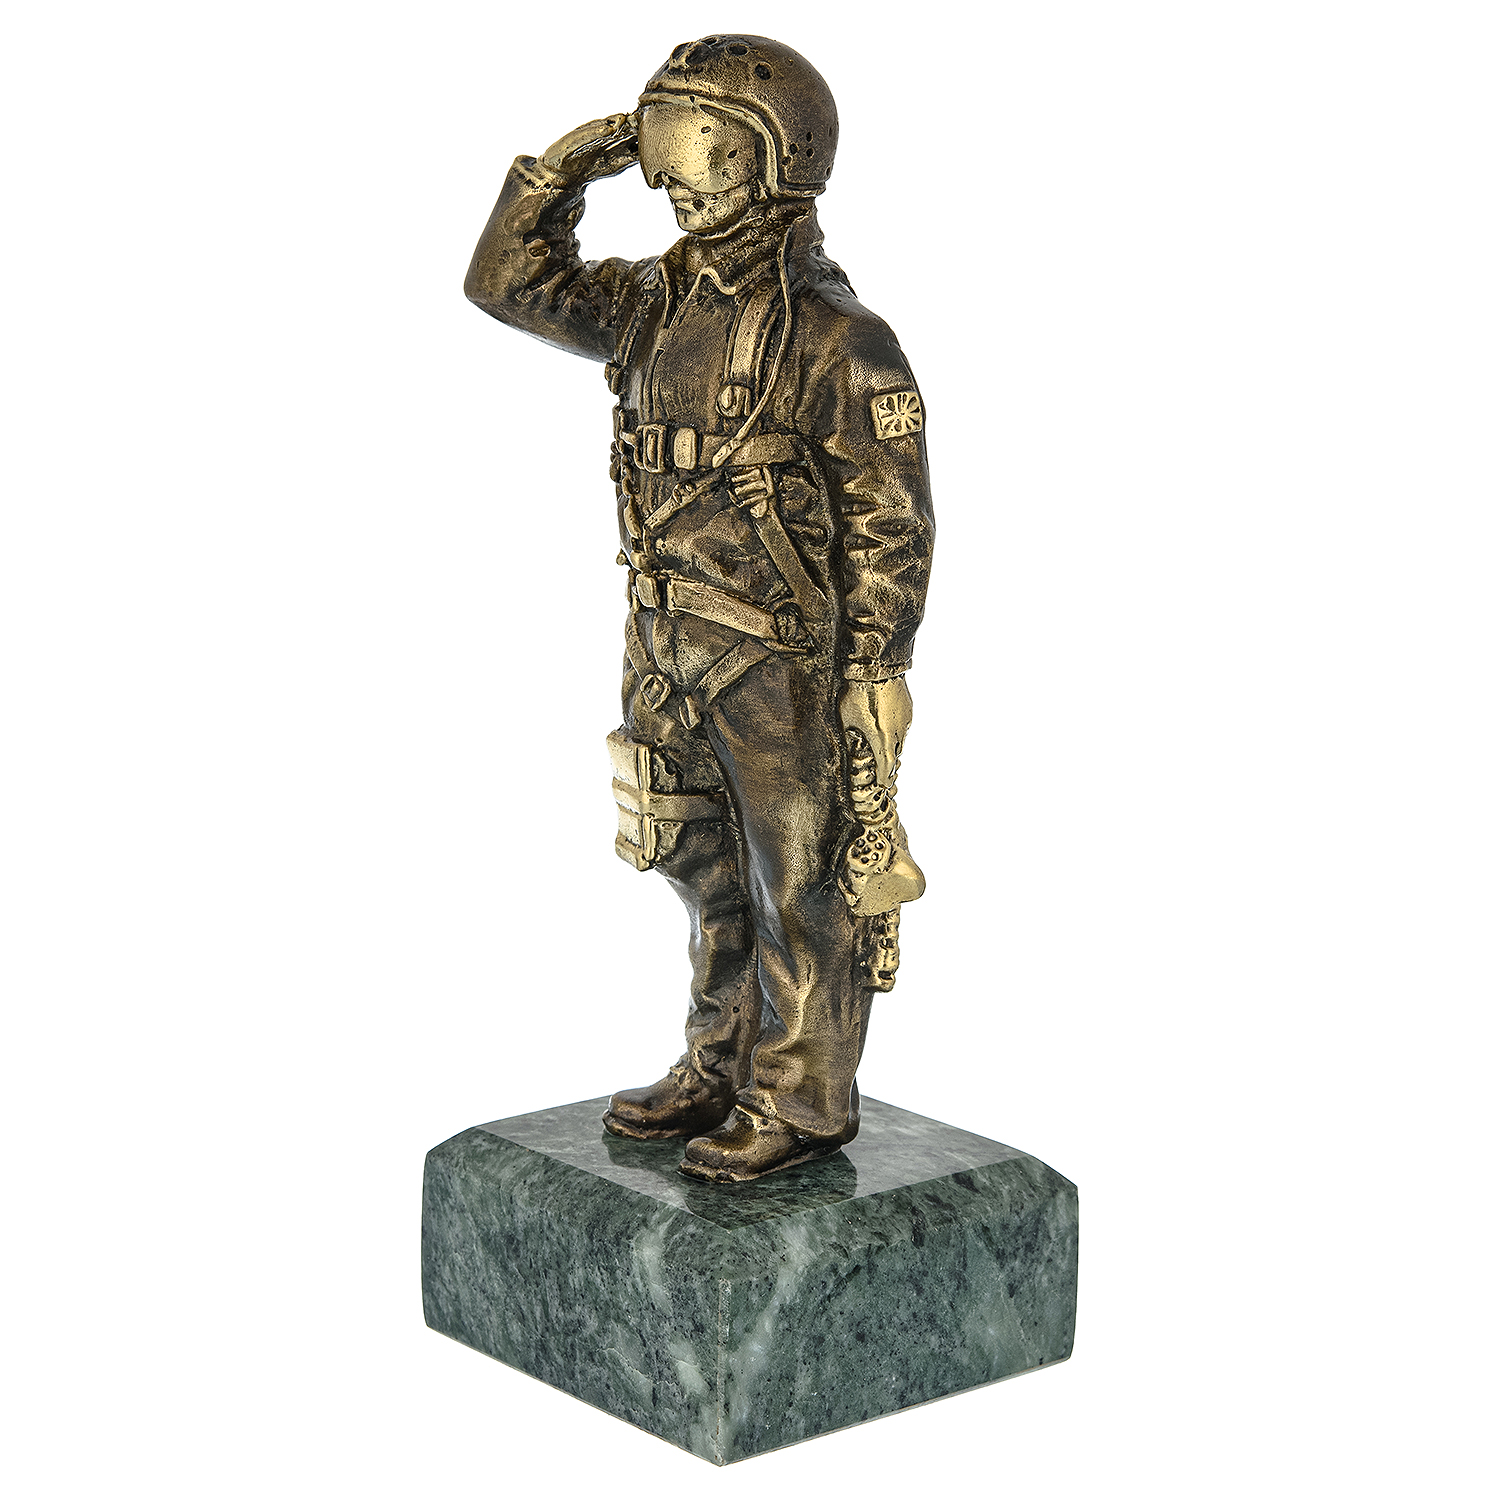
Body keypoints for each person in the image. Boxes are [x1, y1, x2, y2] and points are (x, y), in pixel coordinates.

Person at [465, 35, 934, 1181]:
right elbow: (507, 286)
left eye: (704, 156)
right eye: (666, 156)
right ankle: (721, 1060)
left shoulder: (839, 338)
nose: (677, 184)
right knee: (699, 862)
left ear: (772, 162)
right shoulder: (648, 303)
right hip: (664, 634)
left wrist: (873, 673)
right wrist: (557, 175)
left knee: (801, 886)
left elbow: (890, 526)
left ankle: (801, 1096)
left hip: (778, 660)